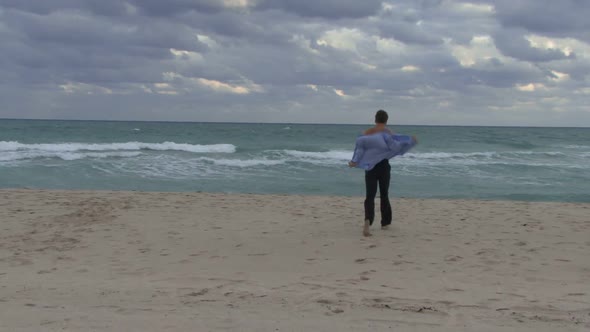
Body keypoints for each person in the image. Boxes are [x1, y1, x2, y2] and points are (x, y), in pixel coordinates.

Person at [348, 110, 417, 237]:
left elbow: (360, 149)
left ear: (375, 120)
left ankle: (368, 221)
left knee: (370, 195)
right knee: (384, 194)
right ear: (386, 120)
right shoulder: (388, 133)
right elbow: (396, 147)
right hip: (384, 166)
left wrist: (354, 161)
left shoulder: (367, 133)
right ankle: (385, 223)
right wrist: (409, 141)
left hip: (370, 168)